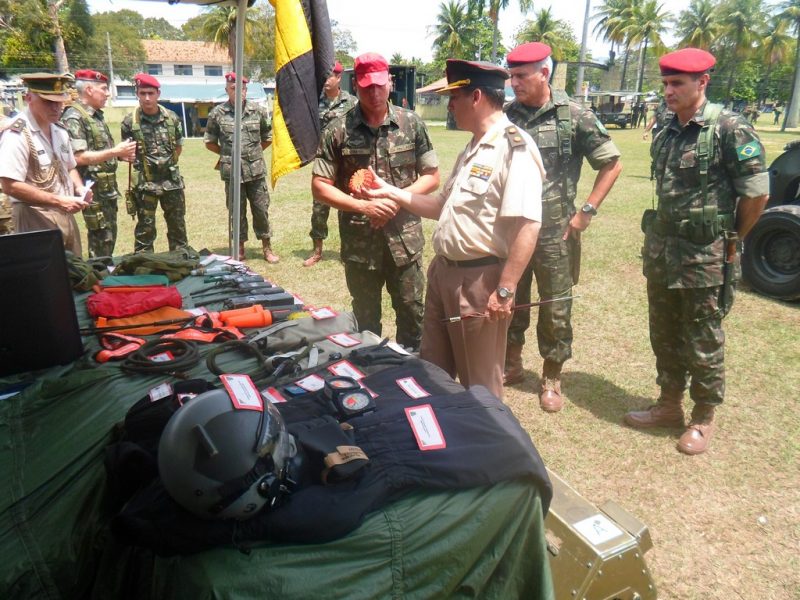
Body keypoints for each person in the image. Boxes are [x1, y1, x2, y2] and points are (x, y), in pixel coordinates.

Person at [364, 59, 544, 399]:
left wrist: (505, 290)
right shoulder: (474, 147)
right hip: (444, 274)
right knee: (433, 374)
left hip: (479, 283)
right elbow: (439, 205)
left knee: (480, 386)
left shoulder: (513, 147)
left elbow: (528, 223)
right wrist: (388, 190)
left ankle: (488, 449)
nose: (449, 106)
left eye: (454, 97)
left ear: (476, 97)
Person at [625, 48, 768, 455]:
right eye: (666, 84)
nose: (668, 91)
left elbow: (756, 195)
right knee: (665, 333)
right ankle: (669, 404)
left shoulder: (728, 128)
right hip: (662, 250)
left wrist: (732, 238)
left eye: (677, 84)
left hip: (705, 255)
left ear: (702, 82)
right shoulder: (667, 127)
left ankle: (702, 417)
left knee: (703, 337)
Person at [503, 42, 622, 412]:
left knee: (555, 306)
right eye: (511, 75)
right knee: (512, 299)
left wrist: (586, 211)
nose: (514, 83)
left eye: (521, 76)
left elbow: (611, 162)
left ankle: (552, 377)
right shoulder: (507, 116)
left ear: (544, 73)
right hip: (513, 229)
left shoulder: (575, 116)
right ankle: (511, 363)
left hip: (557, 233)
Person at [311, 52, 440, 351]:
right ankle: (373, 379)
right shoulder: (338, 130)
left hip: (404, 241)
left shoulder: (411, 123)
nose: (374, 92)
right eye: (367, 86)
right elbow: (320, 186)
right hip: (360, 245)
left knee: (412, 315)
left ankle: (415, 378)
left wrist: (396, 200)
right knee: (366, 323)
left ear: (390, 83)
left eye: (380, 85)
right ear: (356, 85)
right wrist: (364, 206)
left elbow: (432, 176)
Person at [0, 73, 90, 255]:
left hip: (64, 213)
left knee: (75, 275)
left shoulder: (59, 130)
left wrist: (80, 189)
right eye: (49, 102)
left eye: (60, 101)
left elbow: (69, 166)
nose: (56, 107)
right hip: (34, 216)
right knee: (44, 278)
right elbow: (10, 185)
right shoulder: (17, 135)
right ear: (29, 98)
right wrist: (59, 201)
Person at [61, 69, 136, 257]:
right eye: (104, 89)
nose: (108, 93)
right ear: (88, 89)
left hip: (106, 190)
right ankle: (98, 279)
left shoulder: (96, 116)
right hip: (91, 191)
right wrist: (114, 151)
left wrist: (119, 156)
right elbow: (77, 157)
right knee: (101, 240)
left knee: (108, 238)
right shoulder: (74, 117)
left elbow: (98, 150)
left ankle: (103, 275)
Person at [205, 72, 276, 263]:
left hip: (256, 170)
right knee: (236, 211)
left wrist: (252, 154)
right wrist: (228, 155)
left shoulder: (258, 111)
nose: (239, 92)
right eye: (234, 88)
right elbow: (209, 142)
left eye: (242, 88)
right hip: (232, 172)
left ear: (246, 90)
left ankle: (267, 247)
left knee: (261, 209)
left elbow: (267, 137)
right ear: (227, 90)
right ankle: (240, 247)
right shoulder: (217, 114)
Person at [121, 73, 188, 253]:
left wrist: (167, 165)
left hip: (171, 183)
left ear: (158, 93)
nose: (147, 98)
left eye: (150, 93)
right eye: (142, 93)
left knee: (178, 229)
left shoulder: (172, 118)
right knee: (145, 231)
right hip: (145, 185)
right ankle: (144, 267)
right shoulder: (129, 122)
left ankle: (180, 262)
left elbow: (178, 146)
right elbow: (125, 153)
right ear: (137, 94)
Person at [303, 61, 357, 267]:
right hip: (324, 162)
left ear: (339, 78)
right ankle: (317, 251)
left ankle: (347, 251)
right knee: (320, 207)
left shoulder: (351, 102)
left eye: (330, 77)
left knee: (347, 206)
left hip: (345, 161)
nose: (326, 81)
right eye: (324, 77)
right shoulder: (315, 102)